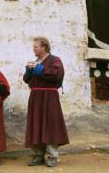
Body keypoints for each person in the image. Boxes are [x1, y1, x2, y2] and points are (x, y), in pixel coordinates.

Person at [23, 37, 69, 167]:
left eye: (36, 46)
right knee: (36, 124)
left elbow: (56, 74)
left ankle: (52, 156)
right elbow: (26, 80)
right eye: (33, 47)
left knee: (50, 125)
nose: (34, 49)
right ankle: (38, 155)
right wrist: (29, 70)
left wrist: (38, 69)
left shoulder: (55, 60)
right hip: (36, 96)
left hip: (49, 96)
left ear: (44, 47)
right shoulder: (35, 61)